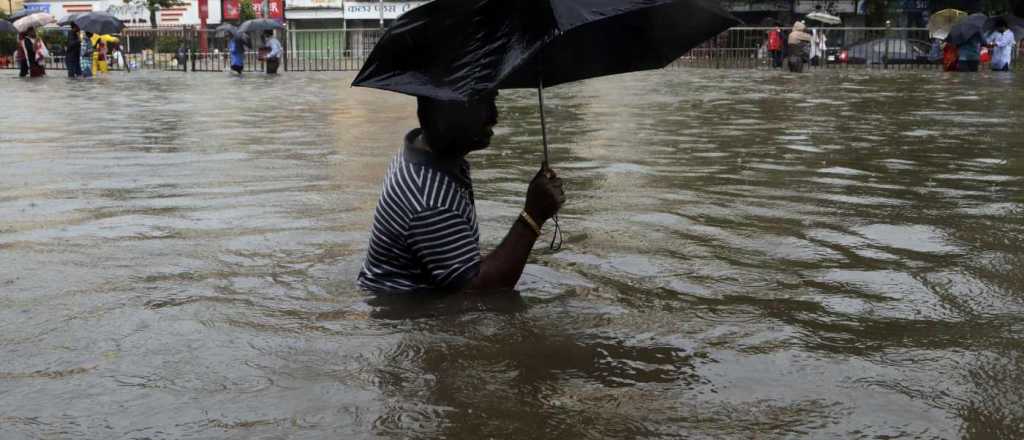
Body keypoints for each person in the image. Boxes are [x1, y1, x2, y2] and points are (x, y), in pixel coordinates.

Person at [358, 92, 566, 294]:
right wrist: (533, 216)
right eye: (482, 104)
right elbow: (479, 293)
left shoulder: (422, 151)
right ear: (449, 112)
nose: (494, 116)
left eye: (492, 100)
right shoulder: (430, 200)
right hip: (408, 312)